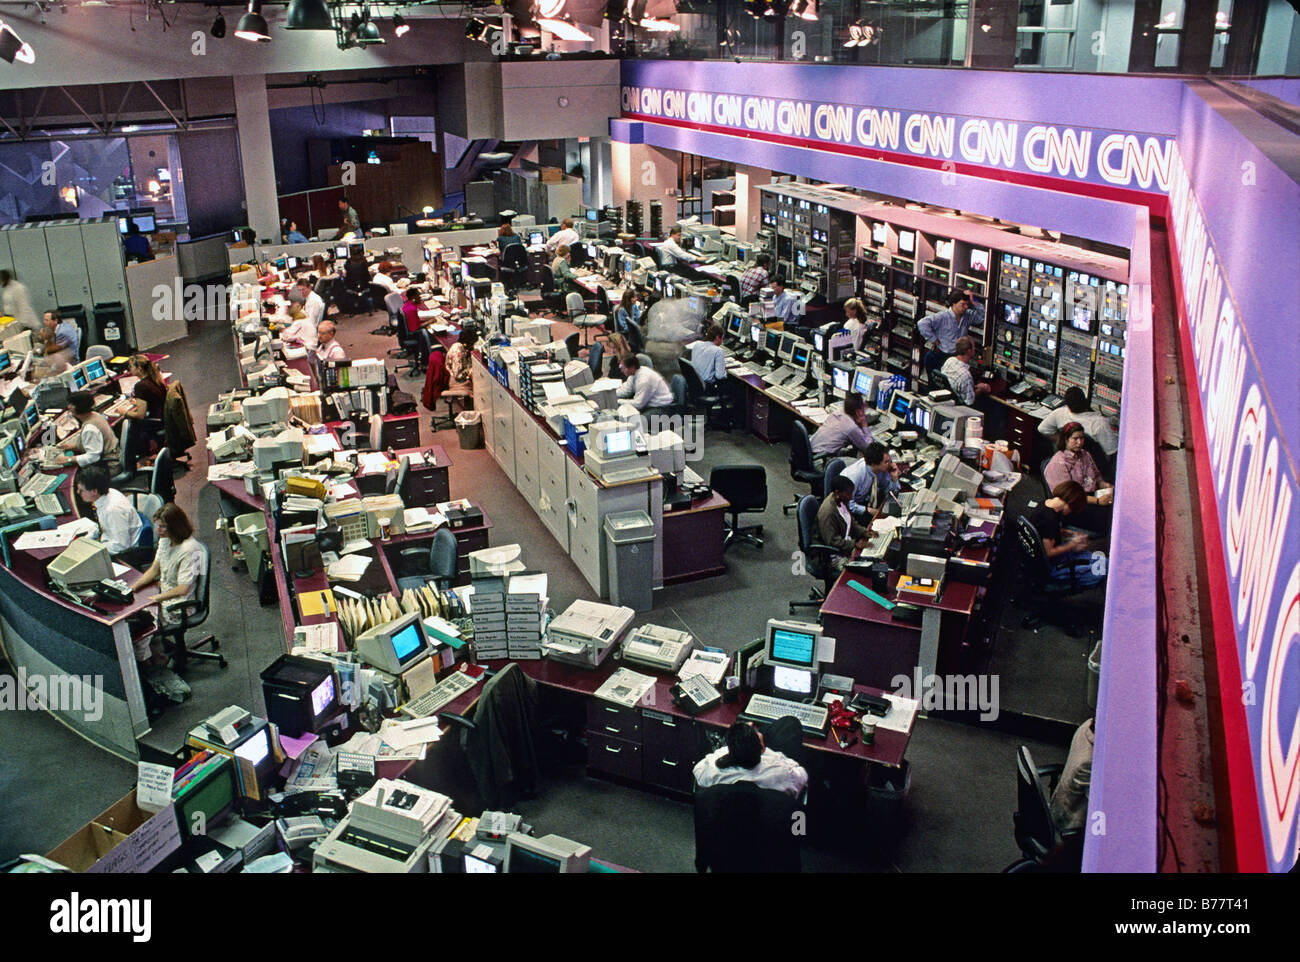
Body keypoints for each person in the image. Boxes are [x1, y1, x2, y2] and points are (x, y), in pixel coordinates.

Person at [130, 503, 205, 666]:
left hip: (180, 604)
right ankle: (149, 655)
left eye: (162, 527)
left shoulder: (191, 550)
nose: (158, 531)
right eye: (157, 525)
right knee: (134, 616)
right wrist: (134, 587)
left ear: (175, 527)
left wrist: (154, 598)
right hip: (163, 593)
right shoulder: (166, 540)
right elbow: (154, 569)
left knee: (141, 626)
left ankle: (148, 662)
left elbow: (183, 588)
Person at [692, 719, 808, 799]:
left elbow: (698, 772)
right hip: (768, 820)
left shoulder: (713, 768)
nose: (752, 724)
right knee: (789, 724)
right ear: (762, 748)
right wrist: (771, 754)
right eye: (757, 732)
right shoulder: (782, 772)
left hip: (730, 821)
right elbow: (802, 777)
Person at [1024, 481, 1106, 588]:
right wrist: (1072, 545)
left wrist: (1070, 533)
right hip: (1051, 566)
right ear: (1070, 504)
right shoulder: (1050, 520)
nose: (1070, 513)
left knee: (1102, 560)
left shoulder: (1045, 504)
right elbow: (1049, 552)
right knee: (1101, 570)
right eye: (1073, 509)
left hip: (1036, 558)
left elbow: (1045, 531)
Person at [113, 354, 168, 483]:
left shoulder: (141, 386)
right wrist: (137, 403)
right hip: (162, 419)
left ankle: (129, 469)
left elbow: (140, 415)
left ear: (139, 369)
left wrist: (123, 412)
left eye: (131, 366)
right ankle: (141, 456)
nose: (129, 370)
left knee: (126, 426)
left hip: (155, 422)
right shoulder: (155, 378)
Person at [75, 464, 143, 555]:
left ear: (94, 491)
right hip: (109, 540)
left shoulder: (113, 510)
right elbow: (103, 526)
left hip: (125, 552)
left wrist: (94, 548)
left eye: (81, 490)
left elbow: (121, 545)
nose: (78, 492)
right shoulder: (107, 494)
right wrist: (88, 539)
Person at [1037, 386, 1118, 457]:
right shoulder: (1100, 422)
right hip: (1089, 467)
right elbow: (1111, 451)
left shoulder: (1060, 413)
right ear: (1085, 401)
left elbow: (1042, 428)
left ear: (1067, 405)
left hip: (1066, 462)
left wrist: (1063, 441)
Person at [817, 474, 872, 570]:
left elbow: (851, 522)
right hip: (832, 555)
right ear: (838, 492)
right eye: (849, 494)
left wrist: (864, 532)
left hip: (845, 544)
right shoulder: (828, 512)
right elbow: (832, 541)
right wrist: (854, 544)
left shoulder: (840, 500)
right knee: (858, 571)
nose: (851, 497)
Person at [1049, 718, 1094, 833]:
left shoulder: (1088, 725)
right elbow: (1097, 805)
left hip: (1061, 802)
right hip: (1069, 822)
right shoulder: (1089, 763)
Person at [55, 391, 119, 468]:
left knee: (78, 478)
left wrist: (69, 459)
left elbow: (93, 457)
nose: (68, 407)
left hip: (110, 466)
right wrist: (76, 445)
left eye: (71, 404)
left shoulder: (89, 429)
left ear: (77, 407)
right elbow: (95, 442)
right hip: (115, 456)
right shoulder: (95, 415)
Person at [840, 442, 901, 518]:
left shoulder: (882, 470)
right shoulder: (854, 476)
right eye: (886, 462)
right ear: (873, 464)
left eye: (890, 460)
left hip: (868, 501)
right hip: (853, 510)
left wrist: (894, 479)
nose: (891, 464)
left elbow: (889, 492)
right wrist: (869, 510)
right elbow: (848, 504)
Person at [918, 289, 972, 372]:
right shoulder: (943, 316)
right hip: (939, 357)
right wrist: (934, 339)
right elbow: (922, 323)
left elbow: (981, 318)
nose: (966, 307)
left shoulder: (967, 316)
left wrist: (974, 303)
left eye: (967, 304)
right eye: (963, 304)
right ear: (954, 303)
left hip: (954, 357)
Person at [810, 391, 874, 458]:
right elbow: (869, 447)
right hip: (820, 459)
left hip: (810, 450)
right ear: (858, 412)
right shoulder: (851, 427)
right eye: (863, 408)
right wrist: (864, 423)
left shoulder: (836, 413)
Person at [940, 336, 991, 406]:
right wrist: (982, 389)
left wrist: (974, 386)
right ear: (969, 351)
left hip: (946, 400)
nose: (974, 349)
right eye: (973, 347)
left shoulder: (949, 361)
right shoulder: (966, 376)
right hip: (959, 407)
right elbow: (969, 401)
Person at [691, 324, 727, 389]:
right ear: (717, 337)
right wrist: (725, 371)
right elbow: (720, 376)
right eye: (722, 338)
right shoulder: (718, 351)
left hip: (693, 384)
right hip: (707, 387)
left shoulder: (697, 344)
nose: (722, 341)